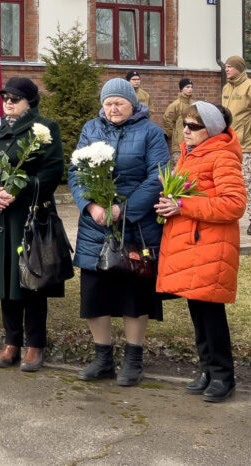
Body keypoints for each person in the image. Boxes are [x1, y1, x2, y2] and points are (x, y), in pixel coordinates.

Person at [69, 78, 168, 386]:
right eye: (108, 103)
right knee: (95, 295)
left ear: (132, 104)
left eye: (119, 103)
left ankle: (133, 360)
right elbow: (76, 171)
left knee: (133, 295)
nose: (112, 108)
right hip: (96, 226)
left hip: (135, 226)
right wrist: (90, 206)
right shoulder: (91, 129)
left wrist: (122, 210)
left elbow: (158, 176)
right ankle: (103, 359)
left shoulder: (151, 132)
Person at [155, 101, 246, 403]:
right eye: (185, 123)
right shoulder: (191, 153)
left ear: (212, 130)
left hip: (211, 245)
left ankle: (223, 376)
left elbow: (233, 204)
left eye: (193, 126)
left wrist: (181, 205)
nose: (185, 130)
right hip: (193, 244)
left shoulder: (222, 156)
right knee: (198, 311)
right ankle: (208, 370)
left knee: (211, 313)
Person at [0, 77, 64, 372]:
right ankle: (12, 341)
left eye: (15, 98)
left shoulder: (45, 129)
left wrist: (17, 189)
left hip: (27, 218)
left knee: (31, 280)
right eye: (5, 98)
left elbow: (52, 172)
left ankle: (35, 344)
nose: (8, 102)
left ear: (30, 102)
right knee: (6, 280)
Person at [221, 55, 251, 235]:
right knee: (228, 180)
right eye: (226, 66)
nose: (226, 69)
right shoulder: (226, 88)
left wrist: (250, 128)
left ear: (239, 68)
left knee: (250, 181)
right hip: (228, 143)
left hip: (247, 144)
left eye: (230, 66)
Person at [162, 78, 197, 149]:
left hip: (193, 141)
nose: (190, 89)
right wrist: (173, 134)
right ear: (181, 89)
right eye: (187, 87)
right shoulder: (175, 105)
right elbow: (167, 120)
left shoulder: (194, 104)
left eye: (191, 87)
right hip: (179, 143)